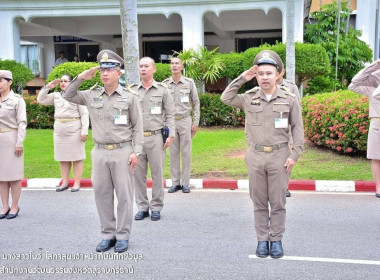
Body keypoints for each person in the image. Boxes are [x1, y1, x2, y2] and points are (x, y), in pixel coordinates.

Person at [221, 51, 304, 258]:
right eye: (261, 73)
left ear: (278, 75)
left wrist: (294, 156)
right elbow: (226, 98)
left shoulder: (289, 98)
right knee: (259, 202)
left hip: (280, 155)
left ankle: (276, 240)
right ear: (256, 76)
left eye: (269, 73)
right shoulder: (249, 98)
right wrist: (242, 78)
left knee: (277, 202)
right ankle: (262, 240)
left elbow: (298, 129)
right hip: (255, 156)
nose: (265, 77)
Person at [63, 50, 144, 252]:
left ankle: (123, 235)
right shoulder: (92, 95)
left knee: (124, 195)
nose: (105, 73)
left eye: (109, 69)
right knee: (102, 194)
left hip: (123, 151)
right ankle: (108, 234)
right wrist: (81, 77)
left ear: (119, 73)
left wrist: (137, 152)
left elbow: (138, 127)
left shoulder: (129, 97)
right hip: (99, 152)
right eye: (102, 70)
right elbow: (68, 95)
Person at [127, 57, 175, 221]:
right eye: (140, 66)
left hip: (156, 138)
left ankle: (156, 207)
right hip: (137, 140)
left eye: (146, 66)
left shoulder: (163, 90)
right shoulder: (132, 90)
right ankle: (142, 207)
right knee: (138, 175)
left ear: (153, 69)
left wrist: (171, 134)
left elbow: (170, 114)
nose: (143, 69)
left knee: (157, 174)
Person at [254, 50, 301, 198]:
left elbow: (296, 111)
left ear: (280, 72)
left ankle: (284, 186)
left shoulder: (291, 87)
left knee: (285, 159)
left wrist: (293, 139)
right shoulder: (261, 88)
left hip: (285, 128)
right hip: (268, 130)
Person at [37, 74, 89, 192]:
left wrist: (84, 131)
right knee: (63, 157)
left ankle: (76, 182)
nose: (63, 83)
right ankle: (64, 182)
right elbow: (40, 100)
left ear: (71, 83)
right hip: (60, 129)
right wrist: (48, 87)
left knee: (77, 157)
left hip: (74, 129)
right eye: (61, 81)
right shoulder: (56, 95)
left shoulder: (77, 95)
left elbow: (85, 114)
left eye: (66, 81)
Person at [163, 57, 200, 193]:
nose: (174, 66)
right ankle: (175, 183)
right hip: (171, 122)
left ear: (182, 66)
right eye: (172, 63)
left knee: (186, 153)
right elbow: (162, 106)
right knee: (173, 153)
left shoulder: (189, 83)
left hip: (185, 121)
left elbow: (196, 103)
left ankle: (185, 183)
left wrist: (195, 122)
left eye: (177, 63)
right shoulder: (165, 84)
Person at [349, 59, 380, 198]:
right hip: (377, 122)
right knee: (376, 157)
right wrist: (375, 65)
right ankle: (378, 187)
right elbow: (354, 84)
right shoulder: (372, 84)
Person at [0, 70, 27, 220]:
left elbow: (22, 122)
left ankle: (15, 205)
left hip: (11, 138)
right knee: (1, 176)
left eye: (1, 81)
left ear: (10, 82)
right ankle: (4, 206)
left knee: (14, 176)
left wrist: (19, 142)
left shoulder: (17, 100)